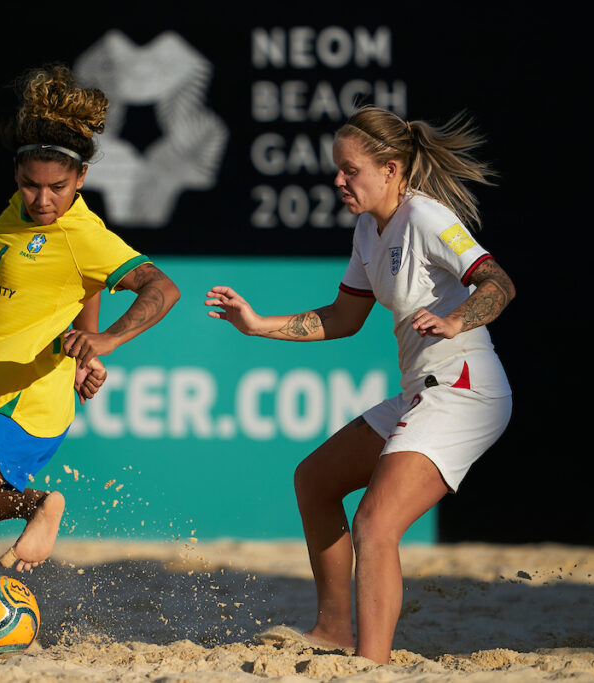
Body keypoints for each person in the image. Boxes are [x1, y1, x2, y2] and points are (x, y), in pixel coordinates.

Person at [205, 105, 514, 664]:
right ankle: (331, 631)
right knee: (315, 479)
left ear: (391, 170)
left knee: (376, 523)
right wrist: (256, 325)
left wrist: (456, 319)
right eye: (336, 168)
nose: (338, 180)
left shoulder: (425, 217)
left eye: (350, 170)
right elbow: (343, 319)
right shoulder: (368, 229)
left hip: (466, 389)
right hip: (423, 388)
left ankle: (371, 667)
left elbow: (499, 284)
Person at [0, 64, 181, 659]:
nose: (43, 198)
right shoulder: (20, 211)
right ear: (18, 175)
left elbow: (162, 288)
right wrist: (82, 345)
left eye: (58, 186)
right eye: (33, 184)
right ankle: (37, 503)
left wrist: (104, 341)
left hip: (26, 403)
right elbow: (79, 283)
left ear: (81, 178)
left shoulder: (83, 230)